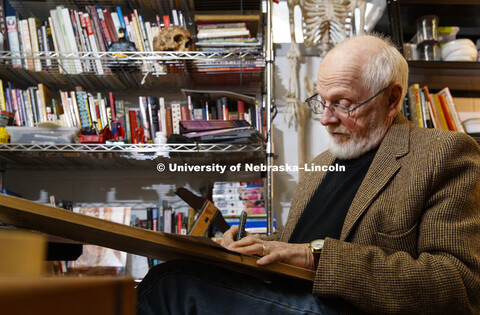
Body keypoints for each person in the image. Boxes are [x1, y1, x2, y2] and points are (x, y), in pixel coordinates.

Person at [136, 34, 480, 314]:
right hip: (290, 296)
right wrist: (249, 245)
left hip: (346, 308)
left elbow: (460, 285)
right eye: (321, 102)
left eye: (343, 104)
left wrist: (315, 257)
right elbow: (292, 243)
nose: (325, 119)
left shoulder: (443, 153)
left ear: (391, 100)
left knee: (169, 284)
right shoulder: (320, 166)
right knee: (172, 270)